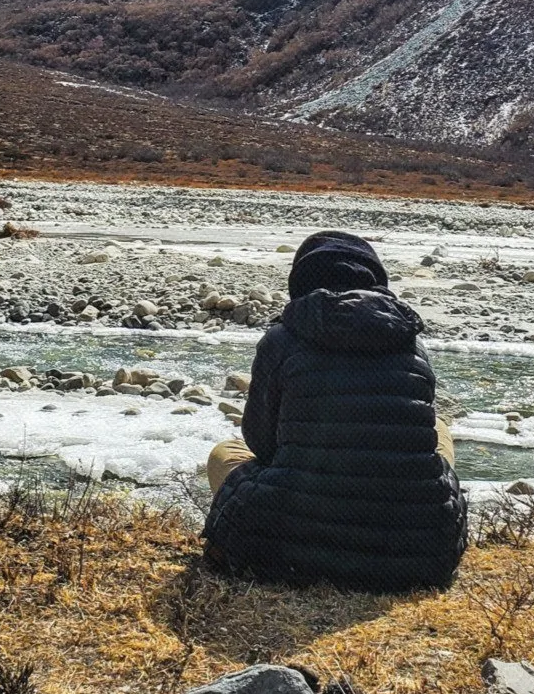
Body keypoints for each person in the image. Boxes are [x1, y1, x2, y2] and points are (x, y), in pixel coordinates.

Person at [199, 230, 467, 591]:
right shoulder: (411, 342)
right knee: (439, 430)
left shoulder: (282, 339)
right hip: (418, 550)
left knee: (225, 453)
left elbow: (261, 444)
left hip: (289, 546)